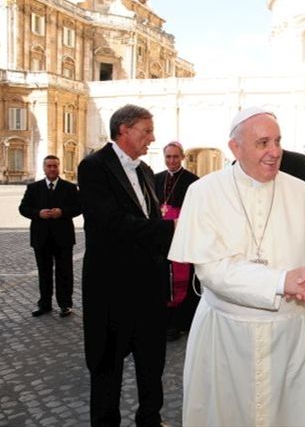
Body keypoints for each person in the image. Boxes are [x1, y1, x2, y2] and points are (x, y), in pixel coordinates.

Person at [168, 107, 305, 426]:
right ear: (235, 147)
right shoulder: (203, 192)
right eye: (262, 143)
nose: (274, 152)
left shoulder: (304, 195)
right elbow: (213, 272)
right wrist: (282, 281)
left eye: (277, 141)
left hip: (292, 338)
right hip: (225, 337)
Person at [78, 104, 175, 426]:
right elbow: (111, 222)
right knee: (106, 367)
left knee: (152, 365)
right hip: (110, 288)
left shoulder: (146, 171)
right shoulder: (93, 167)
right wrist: (169, 228)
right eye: (146, 131)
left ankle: (151, 420)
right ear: (124, 129)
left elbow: (149, 219)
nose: (152, 138)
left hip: (148, 287)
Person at [19, 155, 81, 318]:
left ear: (59, 167)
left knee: (65, 272)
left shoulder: (69, 187)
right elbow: (23, 208)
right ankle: (44, 304)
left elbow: (79, 207)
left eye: (55, 166)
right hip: (41, 237)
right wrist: (37, 213)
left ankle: (65, 305)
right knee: (44, 272)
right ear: (44, 168)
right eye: (49, 166)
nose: (52, 169)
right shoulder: (33, 188)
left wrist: (63, 212)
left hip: (63, 237)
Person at [154, 141, 200, 342]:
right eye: (168, 157)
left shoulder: (193, 181)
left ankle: (180, 323)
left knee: (183, 281)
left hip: (182, 237)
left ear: (182, 157)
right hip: (160, 238)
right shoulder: (155, 179)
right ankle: (162, 320)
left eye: (175, 156)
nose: (171, 161)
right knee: (163, 279)